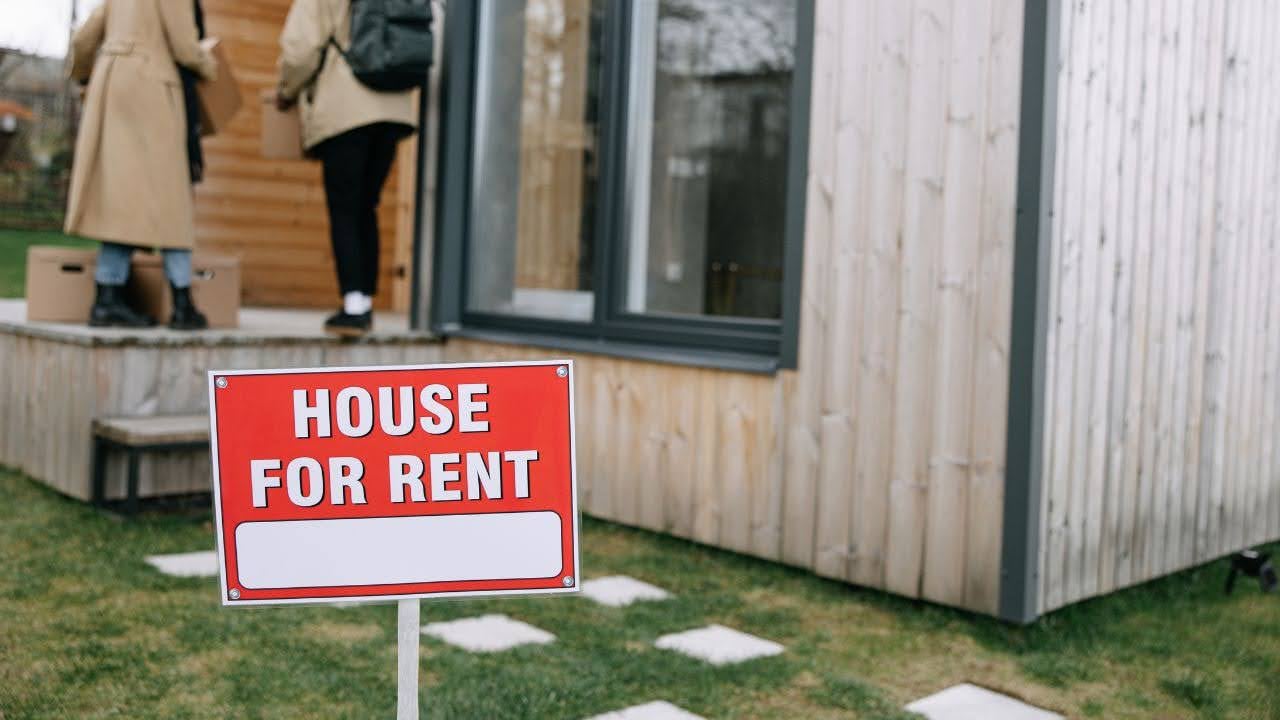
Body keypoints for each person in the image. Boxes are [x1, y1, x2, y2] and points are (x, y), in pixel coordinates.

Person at [65, 0, 216, 330]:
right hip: (152, 84)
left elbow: (84, 37)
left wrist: (86, 73)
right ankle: (182, 302)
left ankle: (107, 297)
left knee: (121, 193)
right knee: (171, 194)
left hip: (111, 83)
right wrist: (210, 65)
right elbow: (184, 45)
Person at [276, 0, 418, 338]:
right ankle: (363, 302)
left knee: (345, 208)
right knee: (366, 206)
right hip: (393, 108)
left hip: (347, 106)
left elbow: (300, 49)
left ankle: (354, 307)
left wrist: (286, 89)